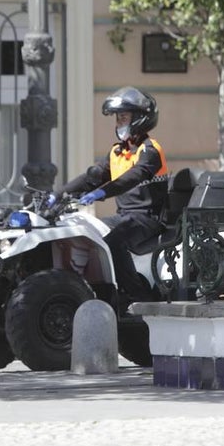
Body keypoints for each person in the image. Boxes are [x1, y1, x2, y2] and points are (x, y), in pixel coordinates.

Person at [61, 86, 169, 310]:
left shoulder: (150, 150)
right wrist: (58, 194)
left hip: (148, 219)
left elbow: (133, 177)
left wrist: (103, 192)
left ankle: (136, 297)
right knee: (86, 233)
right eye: (117, 119)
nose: (119, 123)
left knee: (114, 241)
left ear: (140, 119)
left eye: (123, 118)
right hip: (125, 217)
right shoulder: (117, 152)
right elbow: (91, 177)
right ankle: (99, 292)